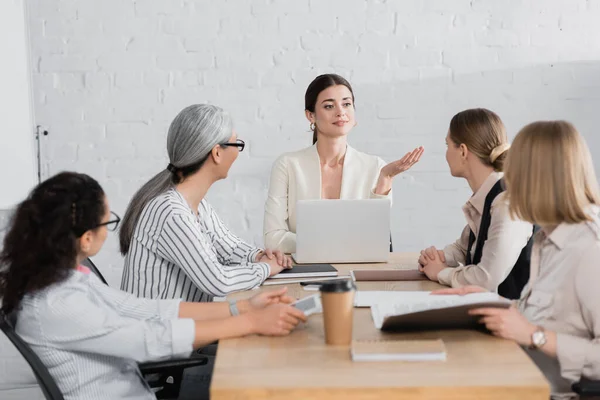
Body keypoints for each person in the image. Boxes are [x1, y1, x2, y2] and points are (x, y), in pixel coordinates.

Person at [0, 172, 306, 400]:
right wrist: (248, 322)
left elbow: (145, 309)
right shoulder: (55, 303)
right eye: (108, 223)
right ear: (86, 239)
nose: (109, 233)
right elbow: (147, 340)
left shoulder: (65, 280)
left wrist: (239, 307)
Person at [433, 121, 600, 399]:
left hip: (546, 390)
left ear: (537, 177)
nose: (507, 181)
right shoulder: (549, 238)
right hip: (518, 370)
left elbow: (537, 331)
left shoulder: (589, 248)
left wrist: (535, 336)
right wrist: (490, 302)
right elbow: (546, 315)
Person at [120, 104, 291, 302]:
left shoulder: (197, 205)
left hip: (179, 326)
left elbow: (228, 247)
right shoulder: (170, 212)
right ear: (217, 152)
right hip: (157, 330)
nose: (238, 153)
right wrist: (267, 268)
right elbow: (218, 281)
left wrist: (259, 256)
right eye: (237, 145)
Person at [264, 73, 424, 253]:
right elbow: (273, 239)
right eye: (329, 106)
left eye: (346, 104)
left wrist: (385, 178)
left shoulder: (375, 167)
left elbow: (375, 238)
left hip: (358, 272)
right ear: (311, 116)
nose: (340, 112)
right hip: (303, 272)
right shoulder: (288, 165)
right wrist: (339, 245)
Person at [418, 108, 533, 299]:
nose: (446, 154)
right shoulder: (488, 196)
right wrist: (438, 258)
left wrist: (440, 272)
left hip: (522, 320)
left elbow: (486, 278)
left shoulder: (506, 204)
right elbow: (466, 249)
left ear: (462, 151)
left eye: (448, 145)